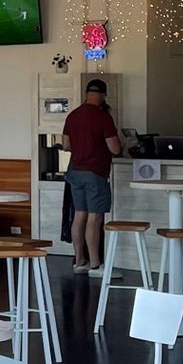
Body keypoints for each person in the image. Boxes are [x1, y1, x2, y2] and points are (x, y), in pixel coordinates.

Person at [63, 78, 122, 274]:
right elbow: (114, 148)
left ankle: (80, 262)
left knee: (79, 215)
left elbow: (66, 146)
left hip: (75, 172)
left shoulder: (72, 116)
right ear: (103, 95)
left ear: (87, 94)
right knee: (95, 218)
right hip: (95, 173)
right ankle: (96, 265)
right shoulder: (103, 117)